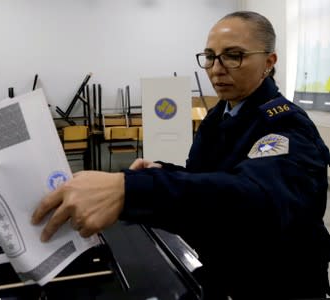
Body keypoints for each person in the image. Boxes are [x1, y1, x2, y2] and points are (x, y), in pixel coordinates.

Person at [32, 11, 330, 299]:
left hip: (276, 284)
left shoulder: (285, 124)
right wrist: (162, 171)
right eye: (210, 56)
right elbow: (211, 178)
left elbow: (252, 198)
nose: (216, 68)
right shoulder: (220, 115)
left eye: (233, 55)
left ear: (269, 61)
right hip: (221, 271)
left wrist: (132, 190)